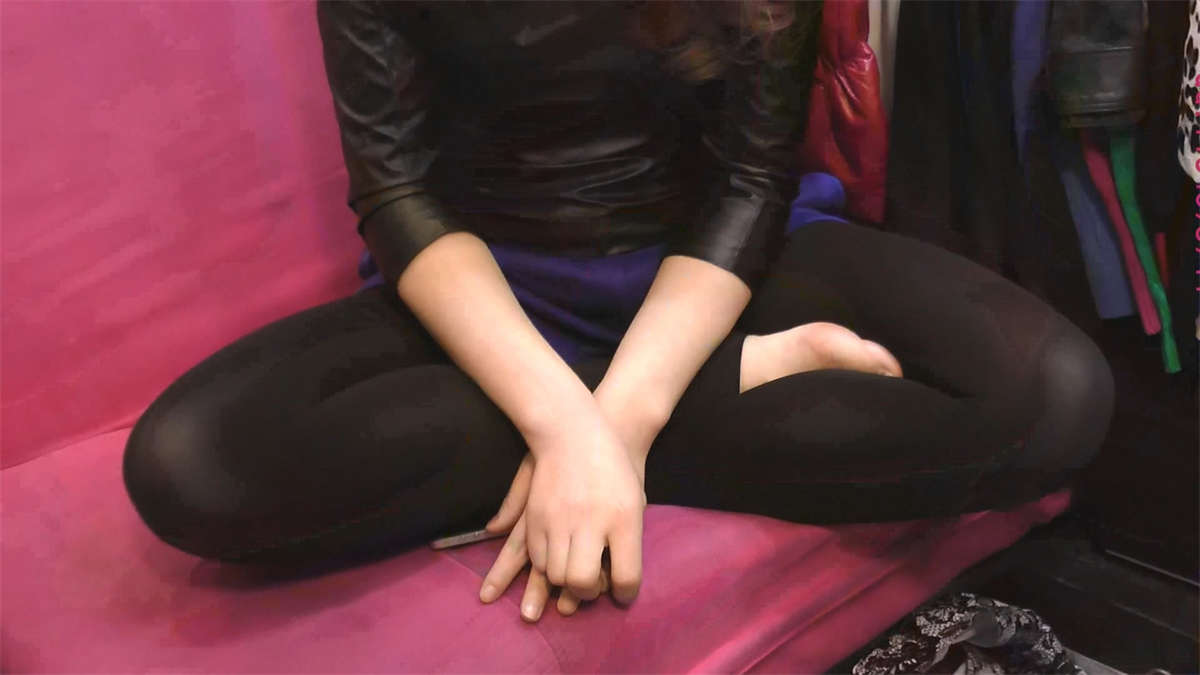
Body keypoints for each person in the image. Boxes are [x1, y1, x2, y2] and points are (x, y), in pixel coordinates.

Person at [122, 0, 1114, 624]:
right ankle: (722, 388)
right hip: (491, 288)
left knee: (1053, 395)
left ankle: (639, 411)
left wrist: (626, 421)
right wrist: (567, 427)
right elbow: (396, 193)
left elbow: (751, 179)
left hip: (717, 265)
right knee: (189, 464)